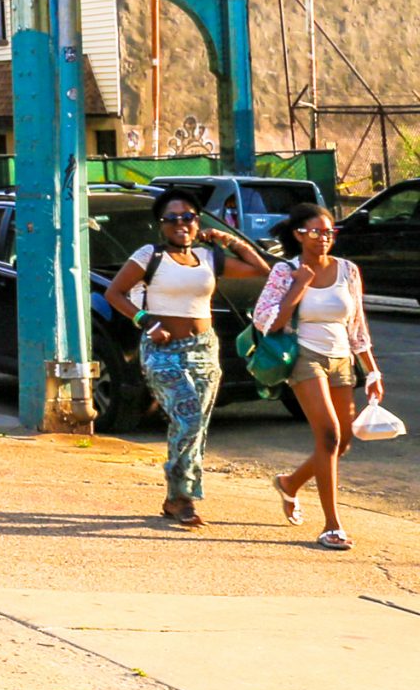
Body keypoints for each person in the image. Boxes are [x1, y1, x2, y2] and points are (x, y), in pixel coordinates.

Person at [103, 191, 270, 528]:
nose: (181, 224)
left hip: (205, 350)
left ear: (197, 222)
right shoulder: (149, 255)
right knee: (189, 418)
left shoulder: (209, 257)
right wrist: (147, 321)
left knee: (195, 427)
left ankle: (176, 497)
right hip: (163, 350)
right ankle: (182, 496)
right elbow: (114, 293)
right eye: (173, 218)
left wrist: (227, 239)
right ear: (161, 224)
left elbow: (260, 269)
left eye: (189, 217)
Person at [253, 203, 385, 551]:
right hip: (304, 356)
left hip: (342, 358)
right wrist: (299, 286)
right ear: (299, 235)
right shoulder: (286, 271)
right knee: (327, 436)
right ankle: (332, 525)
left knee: (342, 443)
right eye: (316, 232)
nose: (325, 238)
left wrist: (371, 370)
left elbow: (356, 326)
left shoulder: (348, 270)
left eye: (330, 232)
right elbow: (266, 320)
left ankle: (290, 483)